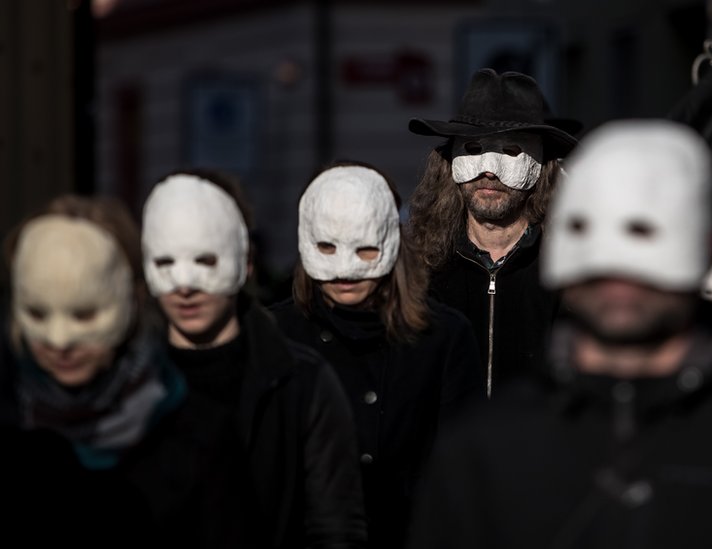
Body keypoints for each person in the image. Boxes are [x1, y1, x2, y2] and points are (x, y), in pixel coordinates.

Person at [408, 120, 712, 549]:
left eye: (646, 232)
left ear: (707, 246)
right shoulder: (480, 452)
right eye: (588, 228)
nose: (618, 266)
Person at [1, 195, 256, 548]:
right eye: (37, 313)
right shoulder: (9, 418)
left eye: (85, 314)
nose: (59, 341)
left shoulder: (200, 438)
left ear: (133, 297)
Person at [141, 171, 366, 549]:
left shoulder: (301, 384)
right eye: (166, 262)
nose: (185, 285)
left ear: (244, 263)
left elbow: (336, 530)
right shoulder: (127, 381)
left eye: (206, 260)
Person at [272, 162, 482, 549]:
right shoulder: (275, 336)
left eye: (366, 249)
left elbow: (461, 466)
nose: (345, 270)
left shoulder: (444, 337)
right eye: (327, 247)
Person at [408, 68, 577, 395]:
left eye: (511, 152)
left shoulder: (567, 272)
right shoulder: (420, 269)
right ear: (450, 161)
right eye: (473, 150)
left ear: (540, 165)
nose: (489, 170)